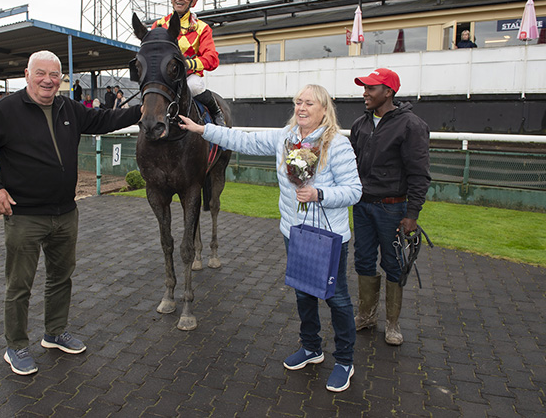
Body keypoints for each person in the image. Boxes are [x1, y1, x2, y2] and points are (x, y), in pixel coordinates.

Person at [0, 50, 142, 376]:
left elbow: (104, 120)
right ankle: (16, 346)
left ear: (61, 78)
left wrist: (142, 111)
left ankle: (54, 332)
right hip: (24, 216)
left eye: (54, 74)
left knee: (61, 278)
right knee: (19, 285)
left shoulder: (68, 108)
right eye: (41, 73)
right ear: (27, 74)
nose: (48, 80)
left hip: (65, 213)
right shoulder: (6, 110)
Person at [179, 84, 362, 392]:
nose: (301, 108)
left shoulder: (337, 146)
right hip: (294, 231)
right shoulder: (286, 138)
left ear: (324, 109)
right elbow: (242, 140)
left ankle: (344, 360)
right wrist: (202, 129)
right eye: (298, 102)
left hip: (328, 237)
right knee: (303, 292)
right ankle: (311, 348)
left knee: (336, 297)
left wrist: (320, 193)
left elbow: (355, 191)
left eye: (309, 103)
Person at [350, 68, 431, 346]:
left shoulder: (411, 125)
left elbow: (419, 174)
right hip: (362, 206)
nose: (365, 93)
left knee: (393, 264)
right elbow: (351, 166)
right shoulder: (360, 124)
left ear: (388, 92)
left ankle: (392, 324)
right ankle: (366, 315)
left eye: (371, 88)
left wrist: (412, 214)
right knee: (362, 260)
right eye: (364, 87)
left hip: (393, 209)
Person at [152, 0, 226, 126]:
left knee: (195, 86)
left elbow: (212, 59)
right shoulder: (158, 25)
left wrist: (189, 64)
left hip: (188, 77)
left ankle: (216, 113)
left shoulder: (202, 28)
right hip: (164, 76)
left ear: (193, 1)